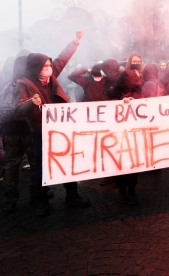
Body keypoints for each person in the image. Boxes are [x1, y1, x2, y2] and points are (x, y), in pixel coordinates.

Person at [14, 31, 91, 217]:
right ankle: (41, 202)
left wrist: (75, 41)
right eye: (45, 66)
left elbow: (62, 59)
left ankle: (72, 195)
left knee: (67, 162)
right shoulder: (23, 84)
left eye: (49, 65)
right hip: (40, 133)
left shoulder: (52, 76)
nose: (49, 68)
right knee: (41, 169)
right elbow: (18, 110)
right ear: (36, 68)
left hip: (60, 130)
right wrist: (31, 103)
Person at [2, 56, 38, 213]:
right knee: (35, 163)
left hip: (10, 131)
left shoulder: (6, 85)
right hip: (28, 130)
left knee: (12, 165)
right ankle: (35, 196)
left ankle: (10, 200)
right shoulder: (27, 85)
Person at [109, 53, 144, 205]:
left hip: (133, 134)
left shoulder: (138, 93)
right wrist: (119, 103)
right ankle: (122, 190)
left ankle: (132, 189)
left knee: (133, 163)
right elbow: (105, 109)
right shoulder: (112, 93)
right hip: (117, 135)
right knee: (120, 163)